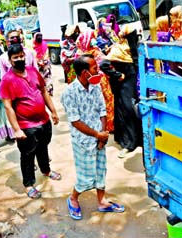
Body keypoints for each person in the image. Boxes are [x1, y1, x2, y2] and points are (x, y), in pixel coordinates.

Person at [60, 54, 124, 220]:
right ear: (83, 73)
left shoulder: (95, 86)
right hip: (83, 141)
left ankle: (102, 201)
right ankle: (73, 198)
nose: (98, 71)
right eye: (94, 68)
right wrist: (97, 134)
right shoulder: (69, 92)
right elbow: (75, 121)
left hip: (99, 138)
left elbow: (102, 110)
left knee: (101, 171)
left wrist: (103, 134)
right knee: (86, 175)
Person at [0, 44, 61, 199]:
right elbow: (8, 106)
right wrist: (16, 129)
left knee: (43, 148)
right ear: (10, 60)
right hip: (26, 126)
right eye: (16, 57)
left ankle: (46, 170)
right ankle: (28, 184)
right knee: (27, 155)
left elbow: (43, 91)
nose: (20, 59)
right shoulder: (7, 80)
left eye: (21, 55)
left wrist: (53, 111)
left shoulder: (33, 71)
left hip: (44, 120)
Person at [100, 25, 143, 158]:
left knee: (127, 110)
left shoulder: (131, 48)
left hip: (131, 84)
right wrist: (118, 75)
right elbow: (103, 64)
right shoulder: (119, 48)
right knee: (127, 110)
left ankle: (133, 139)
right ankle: (128, 143)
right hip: (124, 85)